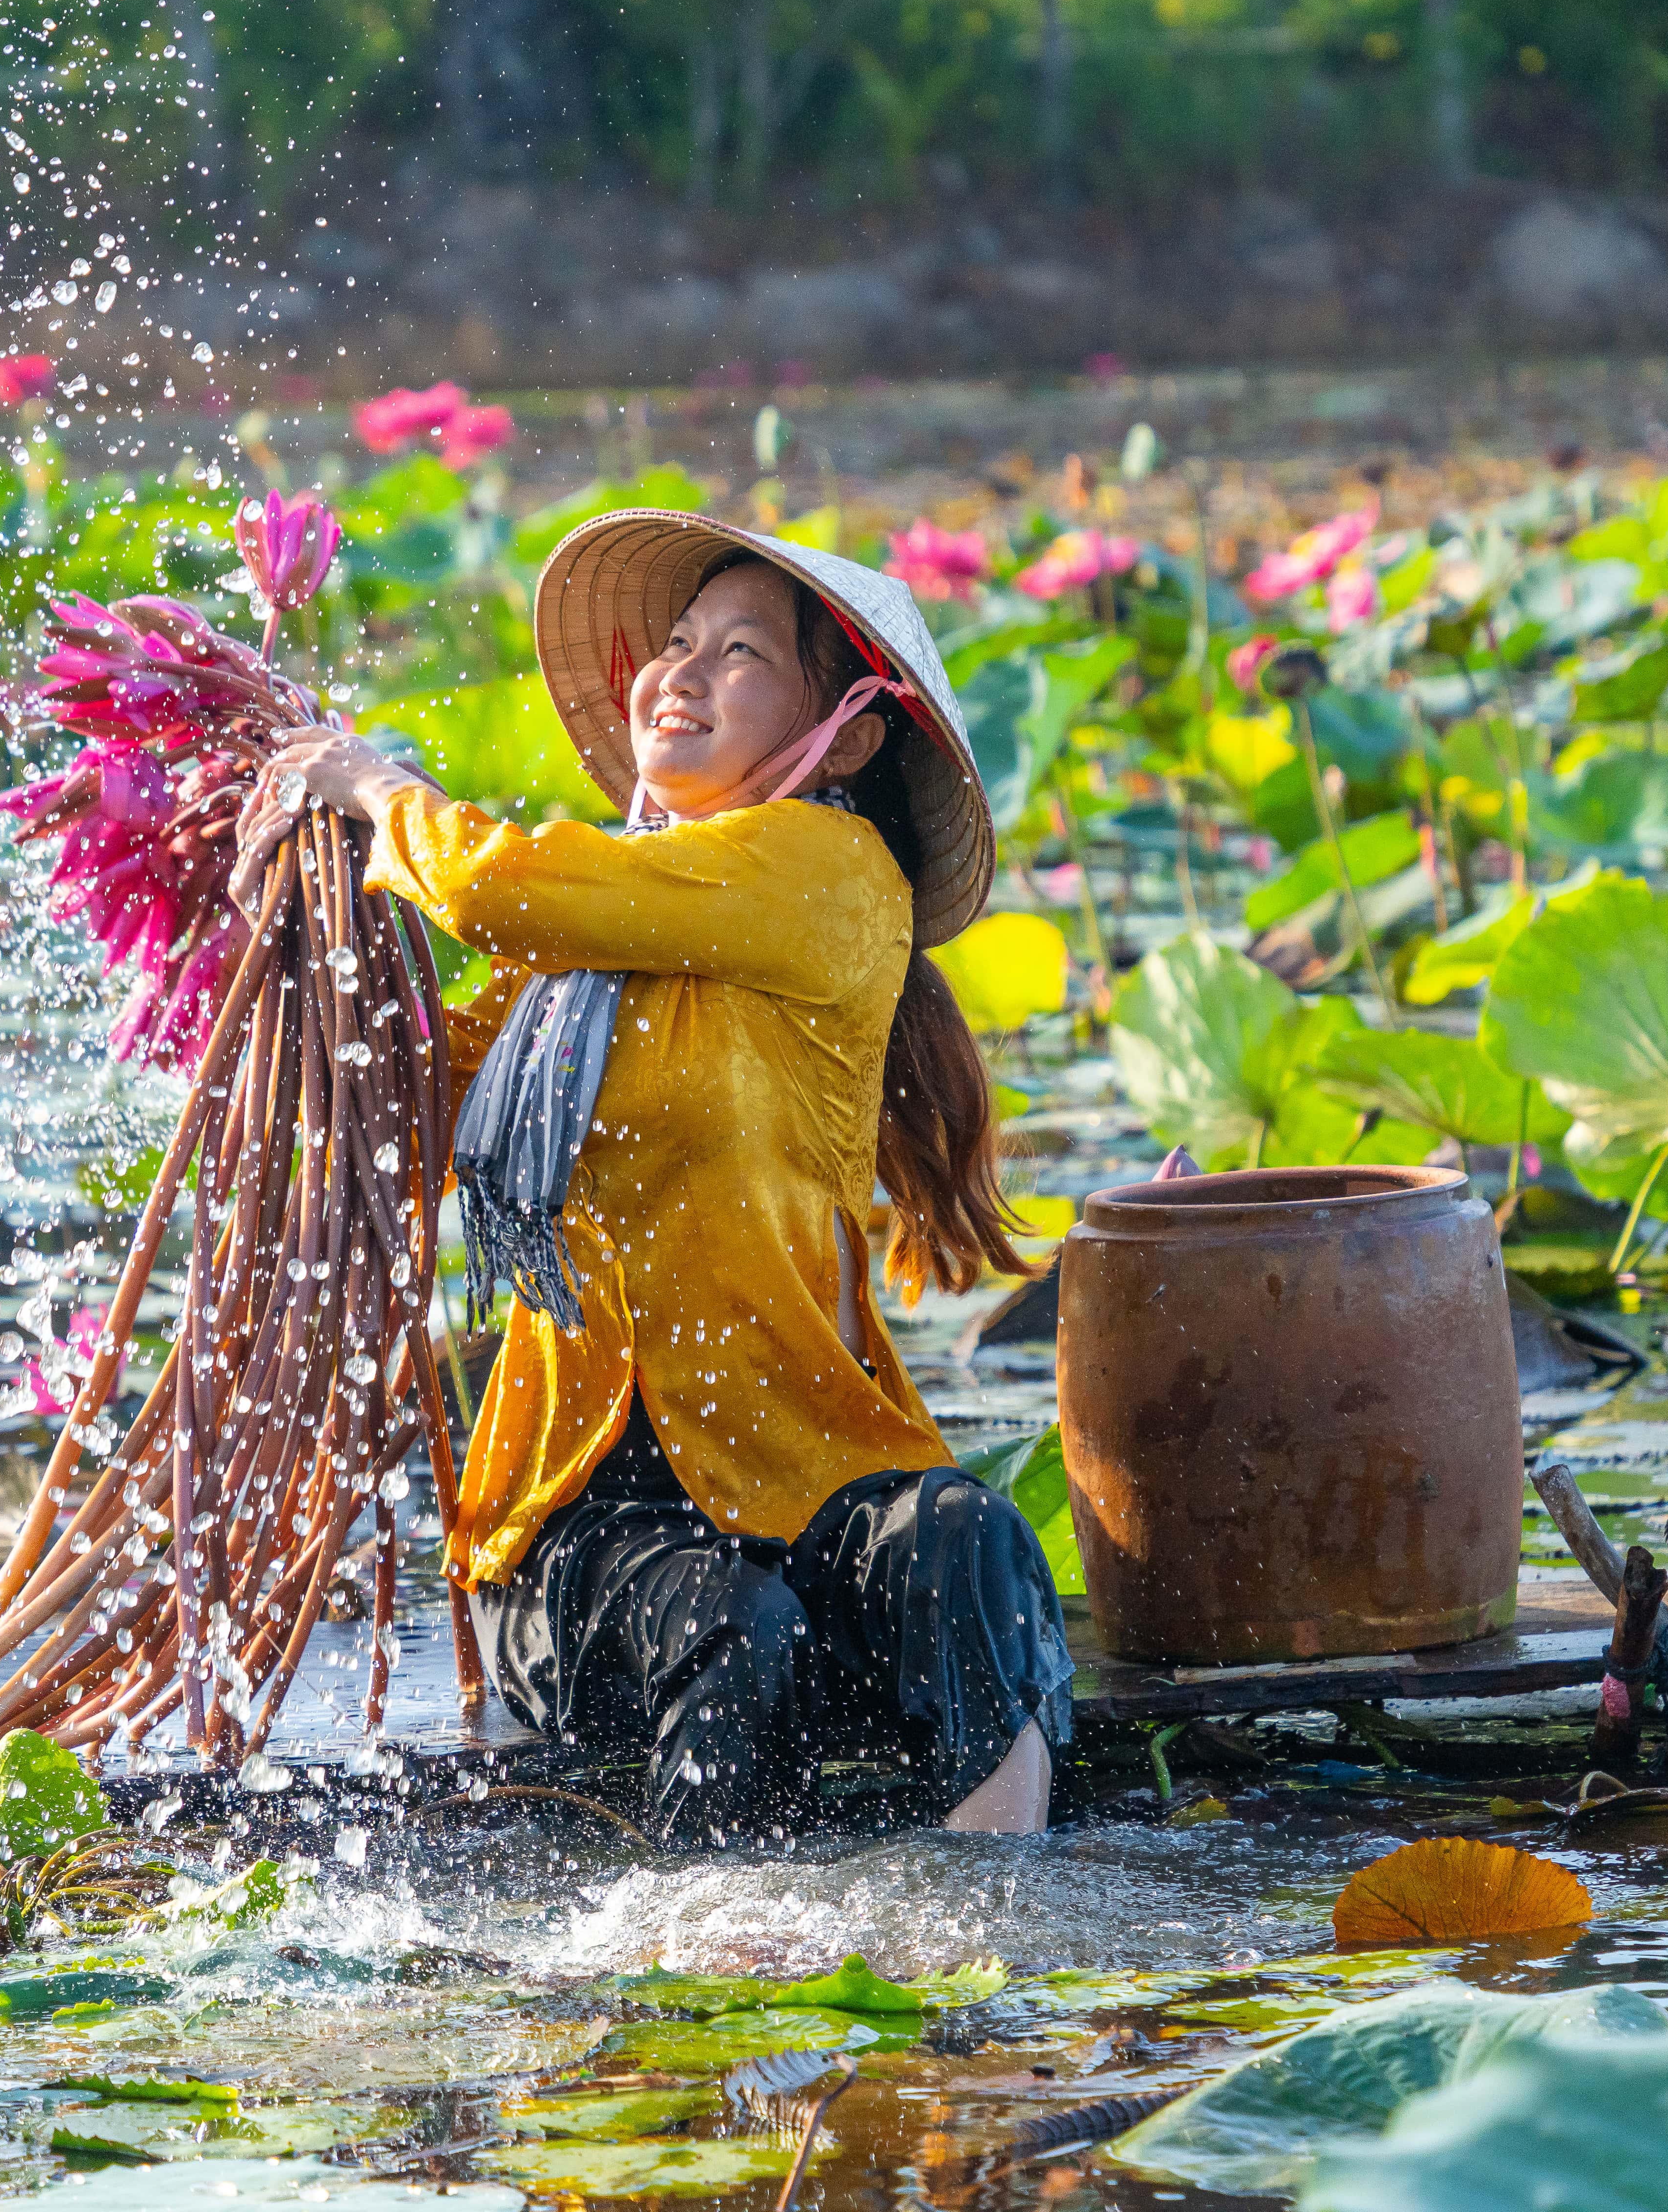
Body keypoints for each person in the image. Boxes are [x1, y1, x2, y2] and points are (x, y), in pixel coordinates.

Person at [237, 510, 1073, 1845]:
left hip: (805, 1475)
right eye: (676, 641)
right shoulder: (584, 928)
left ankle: (993, 1912)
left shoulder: (834, 872)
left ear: (845, 732)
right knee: (724, 1620)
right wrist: (295, 953)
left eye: (739, 654)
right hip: (577, 1528)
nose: (678, 673)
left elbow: (505, 883)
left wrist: (379, 791)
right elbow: (400, 1101)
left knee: (966, 1536)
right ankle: (701, 1969)